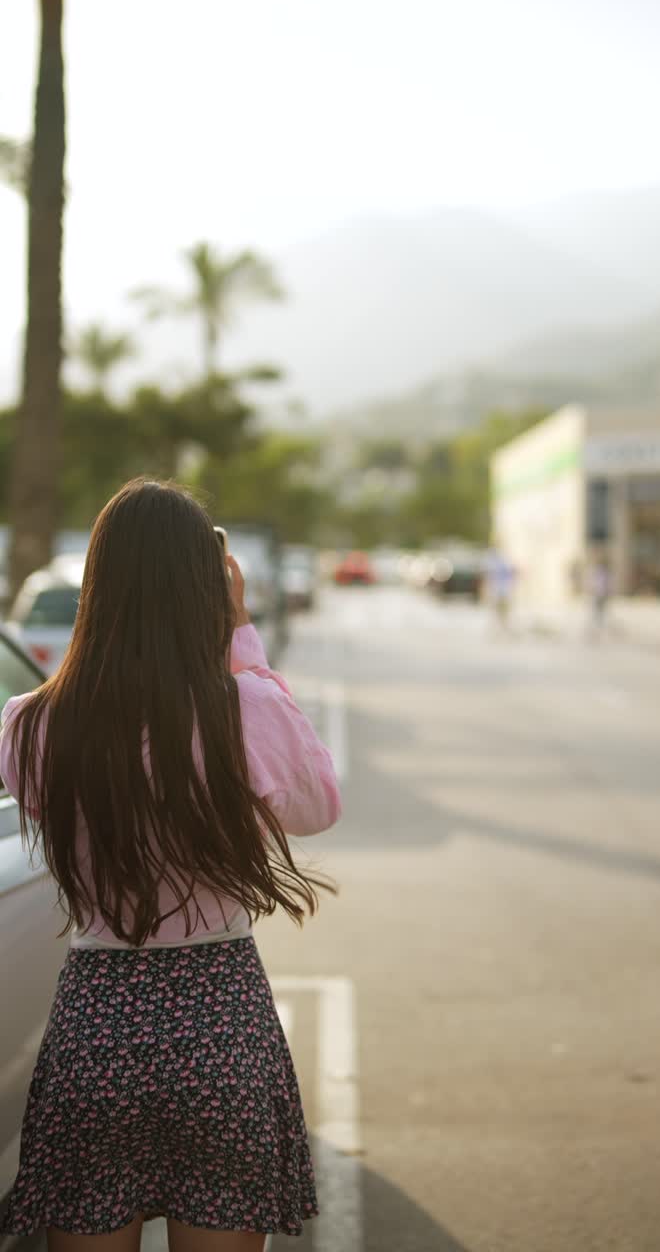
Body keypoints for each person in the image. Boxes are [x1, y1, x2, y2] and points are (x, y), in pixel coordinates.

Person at [0, 479, 342, 1252]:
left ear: (97, 584)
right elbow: (318, 805)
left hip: (97, 1026)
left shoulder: (30, 723)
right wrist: (242, 637)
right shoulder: (244, 708)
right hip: (220, 1020)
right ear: (208, 588)